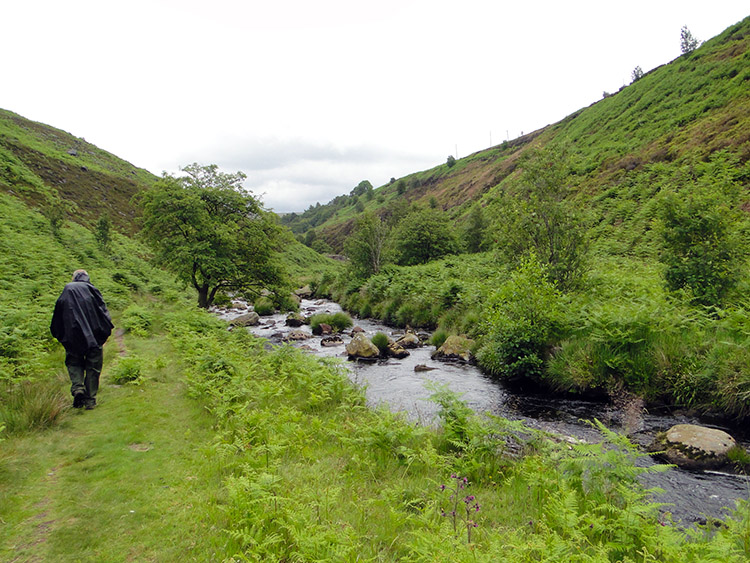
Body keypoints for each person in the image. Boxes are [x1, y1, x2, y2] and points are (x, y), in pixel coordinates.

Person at [50, 269, 114, 409]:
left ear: (74, 278)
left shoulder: (67, 290)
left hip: (72, 337)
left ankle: (78, 388)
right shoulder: (92, 290)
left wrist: (60, 335)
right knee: (93, 368)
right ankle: (90, 400)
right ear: (87, 278)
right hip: (94, 337)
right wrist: (104, 332)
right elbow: (103, 313)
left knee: (74, 363)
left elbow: (58, 316)